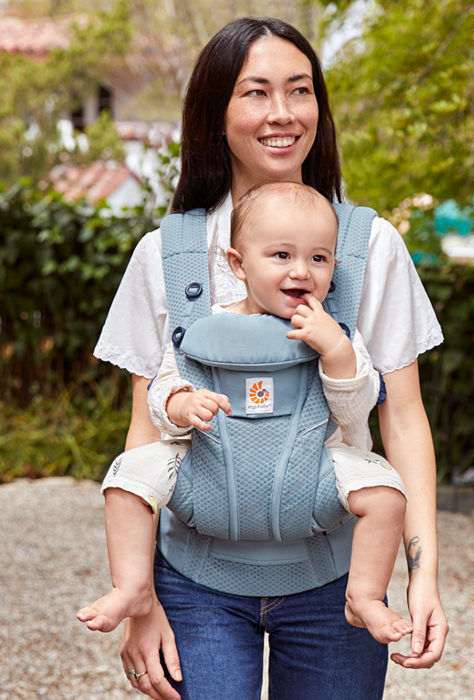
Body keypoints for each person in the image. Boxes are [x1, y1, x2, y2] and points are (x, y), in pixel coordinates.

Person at [92, 16, 448, 700]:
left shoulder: (369, 249)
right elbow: (144, 431)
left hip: (335, 584)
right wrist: (140, 598)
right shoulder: (166, 257)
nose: (283, 113)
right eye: (256, 93)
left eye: (301, 90)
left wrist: (422, 574)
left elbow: (403, 418)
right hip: (194, 585)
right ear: (214, 111)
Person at [78, 181, 413, 647]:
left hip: (316, 472)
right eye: (282, 256)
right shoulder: (206, 326)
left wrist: (334, 348)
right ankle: (132, 586)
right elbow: (162, 390)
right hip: (207, 473)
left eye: (319, 258)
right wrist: (182, 404)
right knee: (126, 477)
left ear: (334, 266)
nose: (302, 270)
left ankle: (365, 594)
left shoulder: (333, 334)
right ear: (238, 263)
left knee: (388, 494)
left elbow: (356, 407)